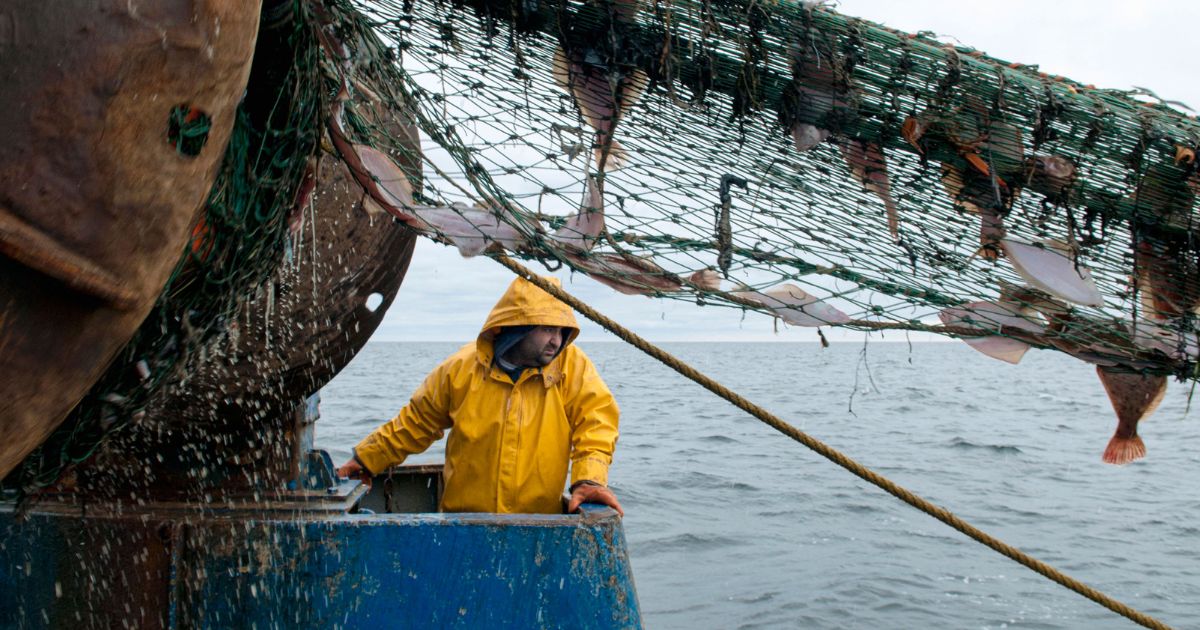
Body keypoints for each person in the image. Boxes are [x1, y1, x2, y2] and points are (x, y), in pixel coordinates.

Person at [337, 275, 623, 516]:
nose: (556, 341)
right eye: (548, 328)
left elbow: (596, 422)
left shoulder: (572, 367)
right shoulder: (461, 368)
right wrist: (366, 459)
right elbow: (416, 422)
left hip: (539, 527)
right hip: (463, 524)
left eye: (561, 331)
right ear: (518, 326)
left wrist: (589, 479)